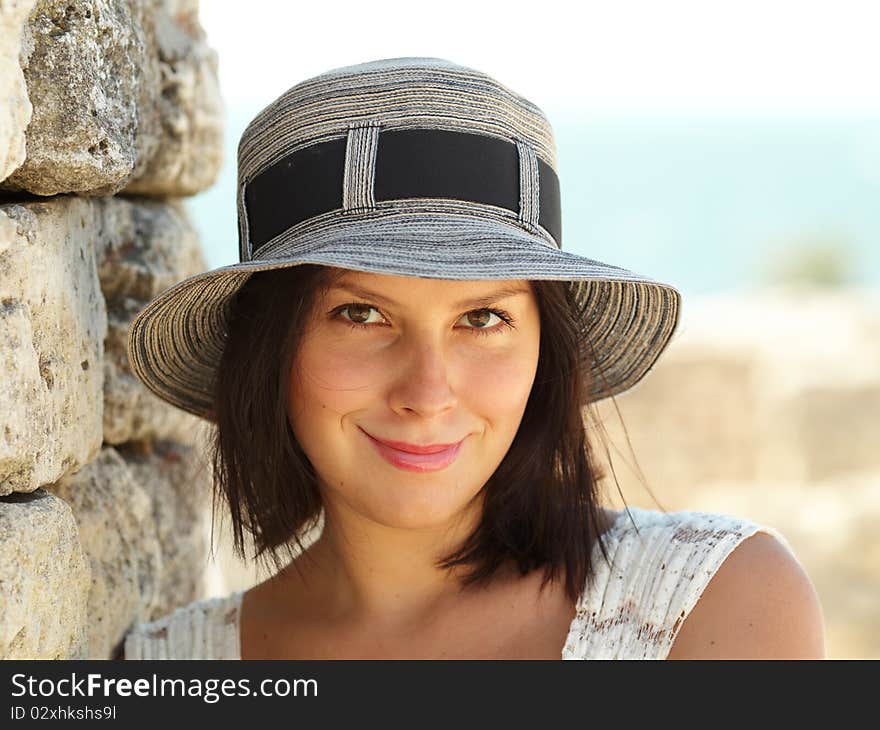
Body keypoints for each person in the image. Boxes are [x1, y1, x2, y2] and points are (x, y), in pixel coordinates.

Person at [122, 57, 825, 660]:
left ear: (546, 350)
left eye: (483, 318)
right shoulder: (164, 671)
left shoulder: (717, 607)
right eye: (361, 314)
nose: (428, 393)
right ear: (269, 350)